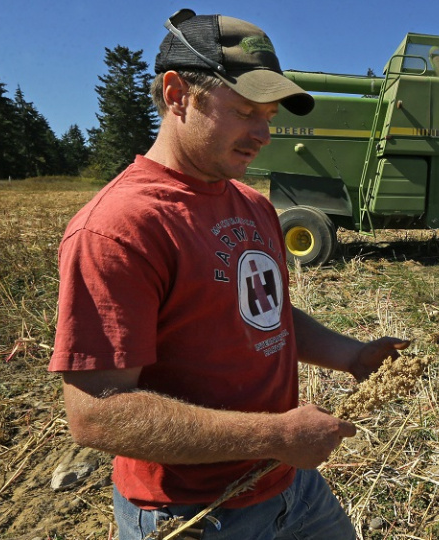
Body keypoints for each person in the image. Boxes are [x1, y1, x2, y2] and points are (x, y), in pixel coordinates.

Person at [48, 9, 408, 539]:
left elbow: (263, 313)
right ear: (177, 94)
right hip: (195, 515)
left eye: (268, 115)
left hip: (291, 487)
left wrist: (351, 356)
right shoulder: (118, 229)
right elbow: (95, 414)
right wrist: (277, 435)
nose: (264, 133)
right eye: (244, 111)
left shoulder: (251, 205)